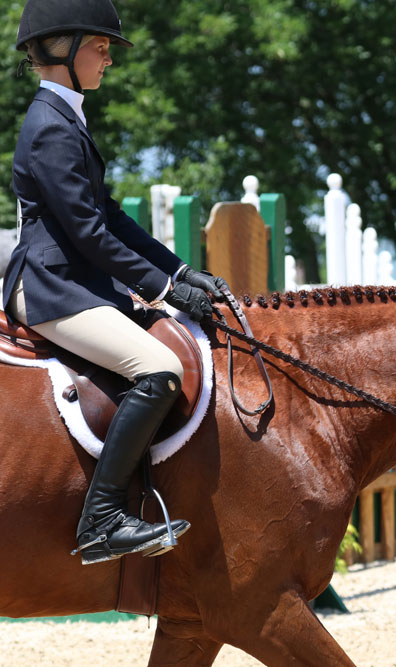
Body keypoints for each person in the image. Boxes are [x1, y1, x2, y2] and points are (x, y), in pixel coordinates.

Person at [6, 0, 230, 565]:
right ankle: (101, 521)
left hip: (76, 278)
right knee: (159, 368)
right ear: (63, 48)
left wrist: (181, 270)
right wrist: (162, 290)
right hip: (53, 284)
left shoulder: (67, 118)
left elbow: (113, 218)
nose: (109, 58)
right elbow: (87, 235)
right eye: (100, 46)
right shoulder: (50, 127)